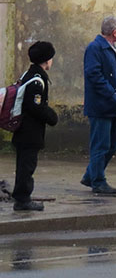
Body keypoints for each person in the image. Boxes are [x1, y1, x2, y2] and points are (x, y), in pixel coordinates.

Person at [12, 41, 58, 212]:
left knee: (23, 165)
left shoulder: (28, 74)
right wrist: (52, 117)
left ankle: (21, 196)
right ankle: (23, 200)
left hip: (23, 131)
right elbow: (36, 107)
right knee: (27, 166)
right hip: (29, 133)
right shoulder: (37, 81)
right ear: (46, 60)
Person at [82, 16, 116, 195]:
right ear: (114, 32)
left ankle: (90, 175)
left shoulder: (112, 49)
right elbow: (93, 74)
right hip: (101, 105)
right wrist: (110, 92)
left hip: (113, 105)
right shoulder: (95, 48)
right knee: (100, 145)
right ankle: (98, 182)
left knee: (115, 142)